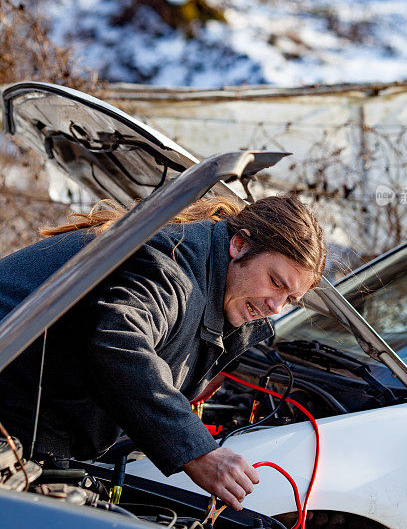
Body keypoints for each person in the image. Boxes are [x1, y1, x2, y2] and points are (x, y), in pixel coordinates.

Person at [0, 194, 325, 511]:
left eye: (291, 299)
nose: (276, 306)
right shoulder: (176, 270)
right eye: (275, 282)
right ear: (239, 245)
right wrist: (198, 452)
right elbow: (118, 337)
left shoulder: (212, 276)